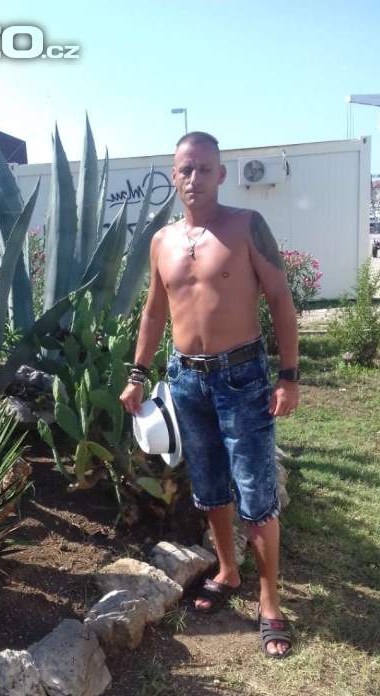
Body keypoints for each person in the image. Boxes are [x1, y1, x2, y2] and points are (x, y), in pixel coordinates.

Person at [119, 131, 300, 659]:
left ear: (220, 174)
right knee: (210, 487)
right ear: (173, 176)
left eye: (203, 168)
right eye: (185, 169)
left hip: (242, 376)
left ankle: (269, 602)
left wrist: (289, 376)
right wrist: (137, 373)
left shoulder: (246, 226)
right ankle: (227, 571)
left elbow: (280, 300)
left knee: (256, 493)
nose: (193, 178)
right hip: (186, 379)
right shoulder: (162, 241)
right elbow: (154, 311)